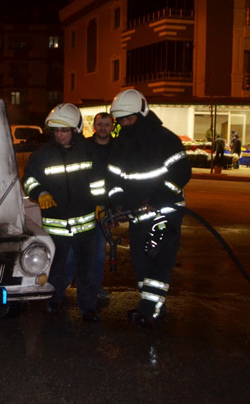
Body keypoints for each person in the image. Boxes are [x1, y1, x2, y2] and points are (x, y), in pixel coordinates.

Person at [105, 89, 191, 328]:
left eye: (129, 119)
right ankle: (152, 305)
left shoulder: (165, 140)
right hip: (138, 214)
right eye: (120, 120)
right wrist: (117, 200)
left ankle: (150, 309)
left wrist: (158, 197)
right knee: (140, 260)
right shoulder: (120, 143)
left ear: (142, 113)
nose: (124, 123)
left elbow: (181, 173)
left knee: (157, 259)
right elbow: (112, 179)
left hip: (164, 213)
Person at [21, 103, 104, 322]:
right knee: (56, 270)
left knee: (86, 272)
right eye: (56, 130)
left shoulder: (89, 151)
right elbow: (28, 179)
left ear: (75, 129)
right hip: (56, 226)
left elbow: (98, 182)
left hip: (85, 227)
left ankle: (88, 309)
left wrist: (100, 203)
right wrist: (40, 192)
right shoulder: (41, 156)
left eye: (64, 130)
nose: (59, 134)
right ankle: (53, 301)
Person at [65, 112, 114, 299]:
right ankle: (65, 284)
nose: (103, 127)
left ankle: (94, 288)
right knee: (72, 249)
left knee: (99, 253)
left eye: (106, 124)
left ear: (112, 126)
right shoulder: (84, 147)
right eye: (99, 124)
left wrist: (113, 207)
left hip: (104, 209)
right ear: (94, 126)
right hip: (83, 207)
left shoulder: (117, 148)